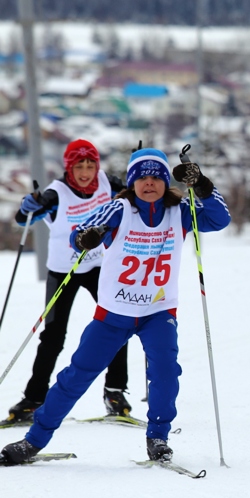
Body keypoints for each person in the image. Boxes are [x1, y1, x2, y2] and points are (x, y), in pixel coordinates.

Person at [1, 148, 231, 465]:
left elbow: (220, 220)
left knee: (165, 372)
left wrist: (202, 184)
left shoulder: (179, 211)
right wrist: (87, 238)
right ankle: (34, 441)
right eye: (142, 178)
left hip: (158, 312)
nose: (149, 184)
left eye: (156, 177)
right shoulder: (119, 208)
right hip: (114, 314)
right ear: (132, 182)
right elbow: (80, 233)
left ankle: (158, 438)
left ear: (165, 181)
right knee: (77, 376)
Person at [5, 140, 132, 425]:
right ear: (69, 167)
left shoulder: (106, 183)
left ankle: (115, 392)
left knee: (116, 325)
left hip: (100, 266)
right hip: (63, 270)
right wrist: (28, 208)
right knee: (53, 336)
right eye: (79, 166)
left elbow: (133, 196)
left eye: (90, 165)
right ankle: (34, 399)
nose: (86, 172)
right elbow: (23, 219)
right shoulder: (56, 193)